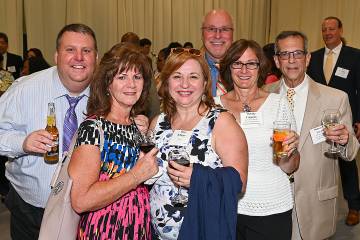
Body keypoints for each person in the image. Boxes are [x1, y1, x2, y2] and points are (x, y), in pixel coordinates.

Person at [0, 23, 98, 240]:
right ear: (56, 55)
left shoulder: (107, 94)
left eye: (86, 51)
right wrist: (22, 143)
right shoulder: (25, 89)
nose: (79, 57)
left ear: (96, 57)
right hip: (30, 210)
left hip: (87, 212)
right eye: (70, 50)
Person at [263, 30, 359, 240]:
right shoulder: (263, 94)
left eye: (297, 53)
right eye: (285, 54)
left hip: (315, 203)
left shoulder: (335, 98)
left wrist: (344, 140)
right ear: (277, 61)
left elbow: (350, 152)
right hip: (271, 200)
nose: (291, 60)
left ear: (307, 58)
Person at [149, 48, 248, 239]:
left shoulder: (221, 122)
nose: (184, 84)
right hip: (157, 234)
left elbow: (239, 183)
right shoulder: (158, 123)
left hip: (203, 230)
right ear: (167, 81)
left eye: (193, 77)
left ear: (204, 83)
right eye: (177, 76)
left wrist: (199, 177)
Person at [68, 43, 158, 239]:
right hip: (105, 229)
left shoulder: (136, 126)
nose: (131, 84)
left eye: (137, 77)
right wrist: (136, 176)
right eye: (122, 77)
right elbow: (81, 200)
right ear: (107, 83)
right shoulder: (93, 128)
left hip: (138, 227)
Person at [216, 39, 300, 239]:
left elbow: (291, 166)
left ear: (260, 67)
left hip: (271, 206)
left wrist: (289, 153)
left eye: (251, 63)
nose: (244, 70)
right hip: (225, 206)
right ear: (229, 67)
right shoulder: (213, 106)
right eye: (237, 63)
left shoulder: (278, 104)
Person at [307, 16, 360, 226]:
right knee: (319, 163)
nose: (327, 33)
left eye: (331, 29)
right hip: (318, 123)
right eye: (324, 29)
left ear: (340, 30)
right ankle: (317, 205)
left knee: (347, 164)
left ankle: (354, 206)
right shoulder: (315, 57)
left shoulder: (354, 56)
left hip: (345, 120)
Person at [201, 9, 233, 96]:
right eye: (211, 29)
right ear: (202, 34)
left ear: (232, 33)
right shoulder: (186, 69)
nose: (218, 36)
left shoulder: (247, 70)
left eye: (225, 29)